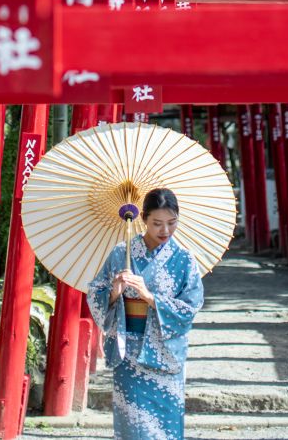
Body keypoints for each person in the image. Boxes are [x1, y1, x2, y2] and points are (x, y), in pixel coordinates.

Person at [87, 187, 204, 440]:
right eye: (157, 223)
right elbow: (96, 292)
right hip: (129, 352)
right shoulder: (121, 253)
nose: (165, 231)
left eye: (172, 223)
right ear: (143, 219)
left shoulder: (184, 259)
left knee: (167, 425)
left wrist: (150, 297)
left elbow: (190, 307)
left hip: (166, 353)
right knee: (133, 427)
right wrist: (114, 292)